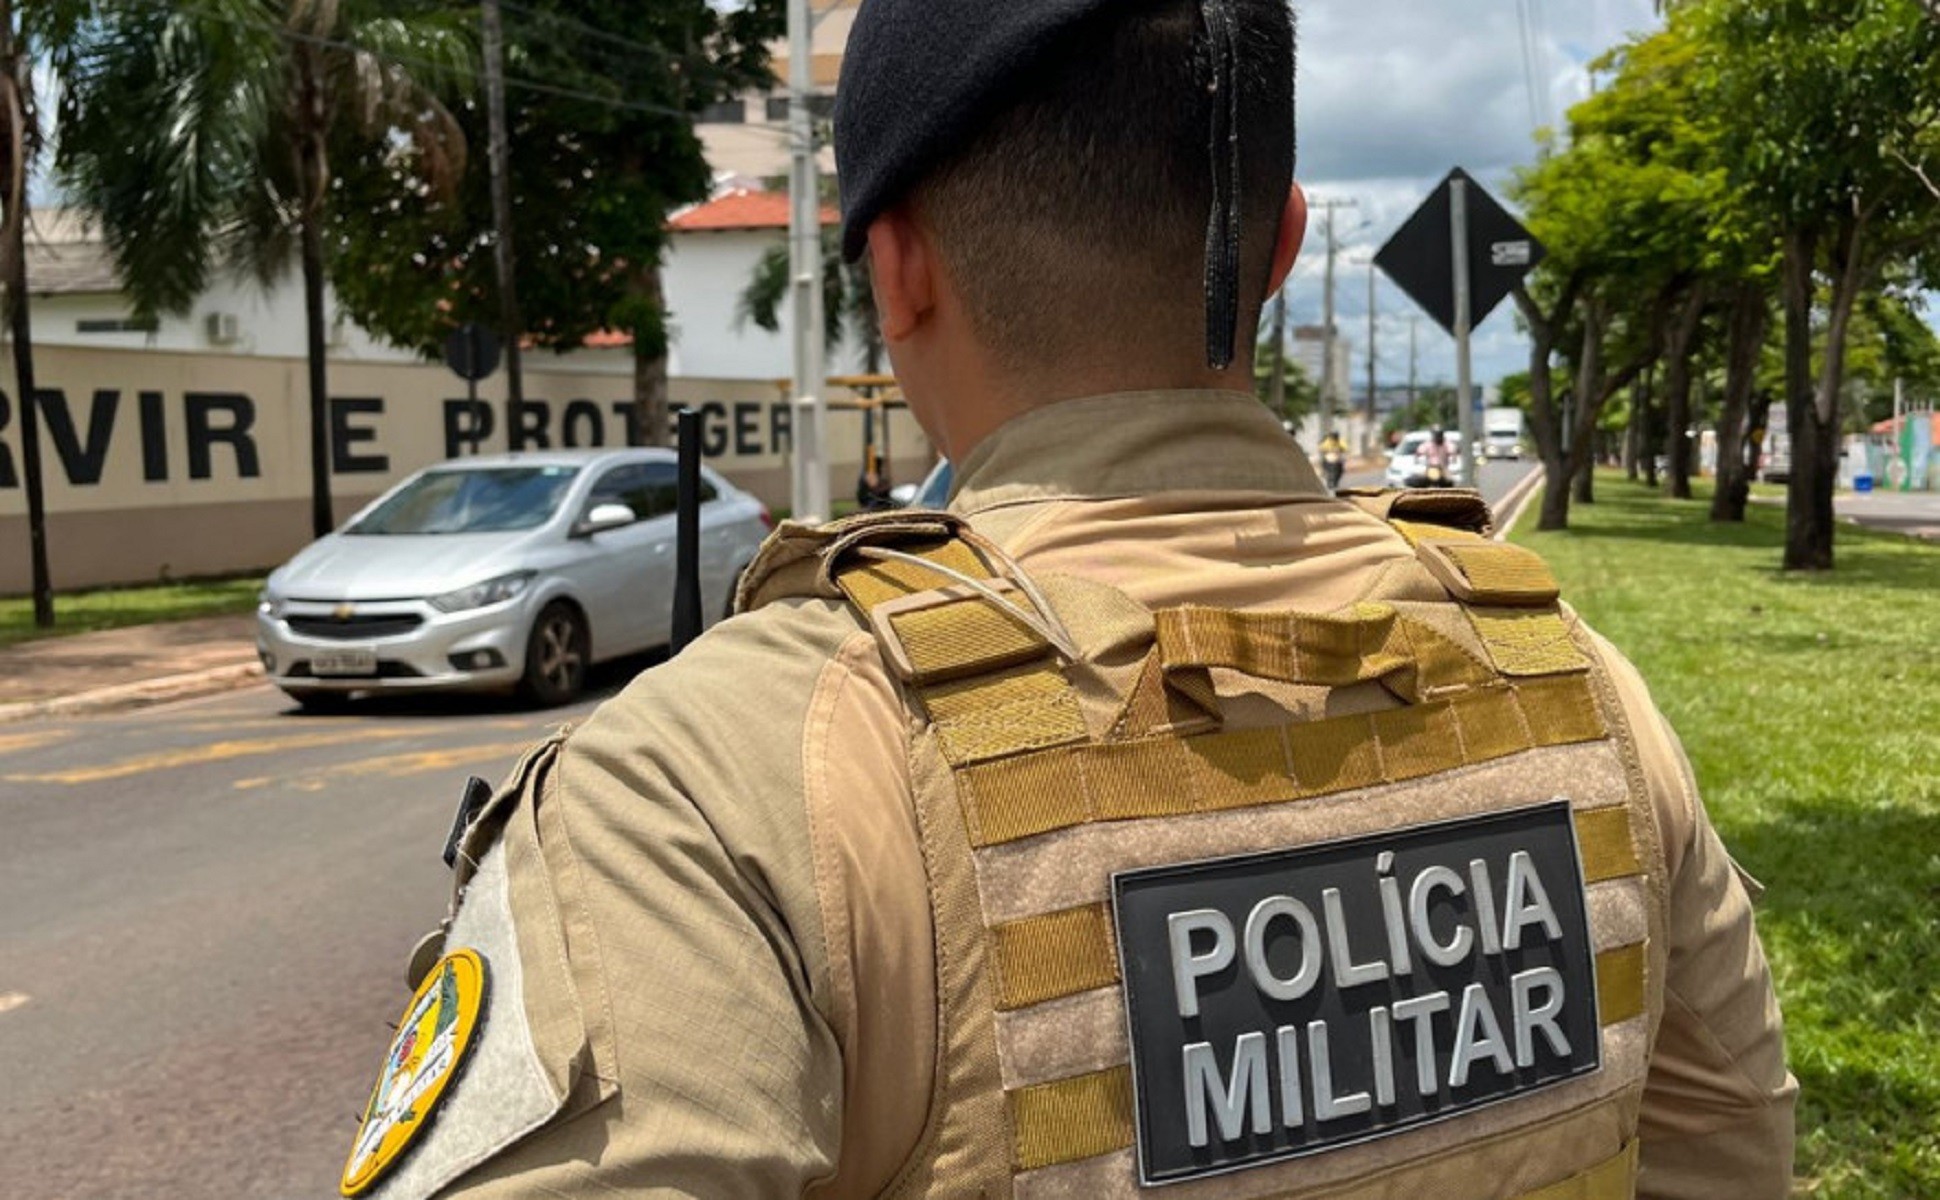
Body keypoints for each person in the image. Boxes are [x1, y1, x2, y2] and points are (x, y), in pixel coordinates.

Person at [338, 1, 1796, 1197]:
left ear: (895, 271)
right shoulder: (1579, 692)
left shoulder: (705, 785)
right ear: (1282, 249)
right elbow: (1733, 1156)